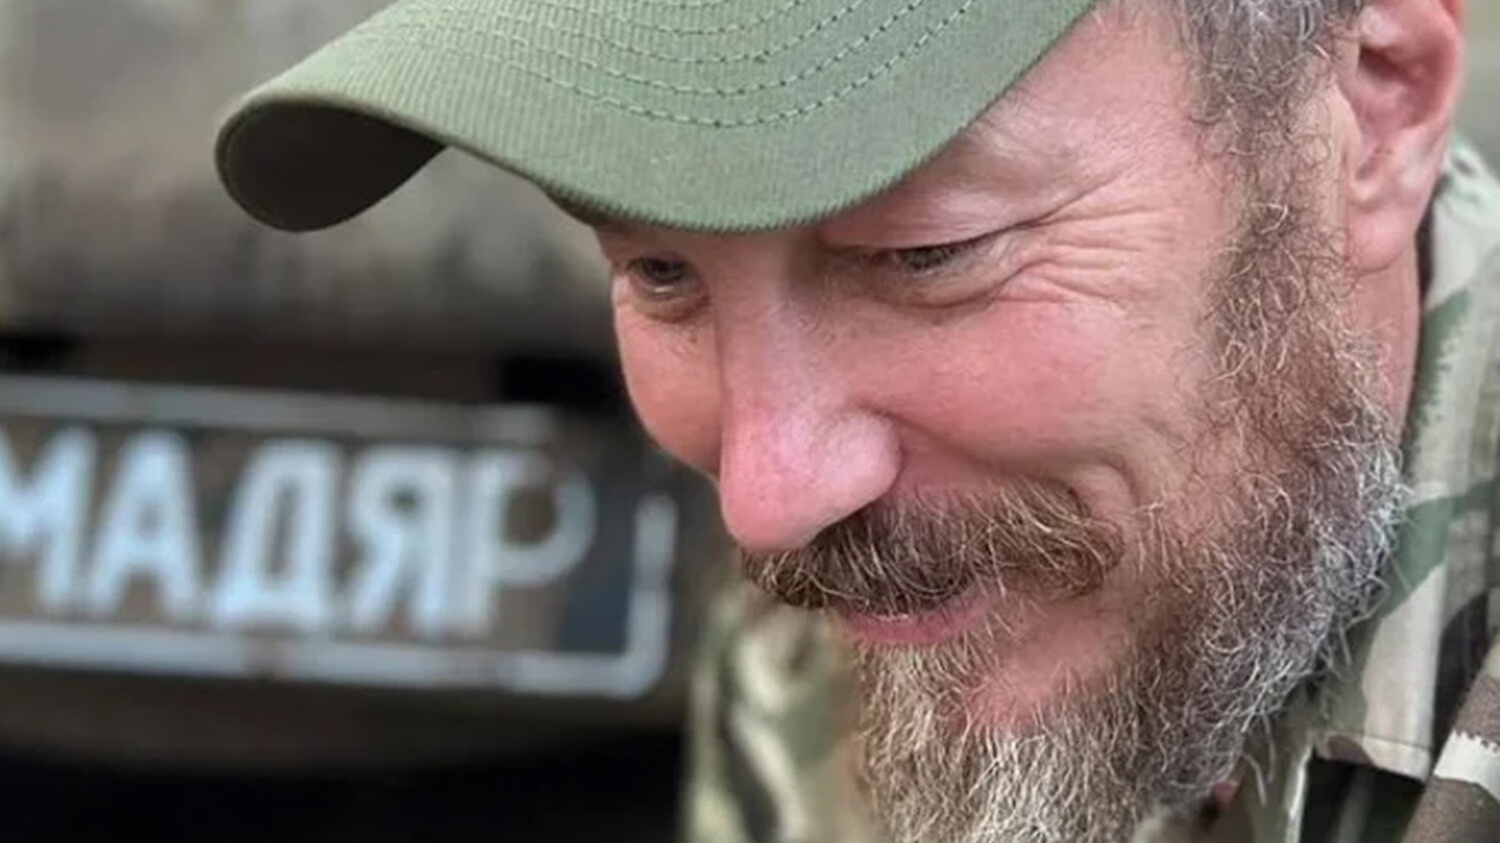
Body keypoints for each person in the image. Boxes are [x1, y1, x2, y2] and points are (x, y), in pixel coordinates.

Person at [208, 0, 1500, 840]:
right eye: (662, 273)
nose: (768, 497)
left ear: (1373, 107)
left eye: (926, 254)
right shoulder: (899, 608)